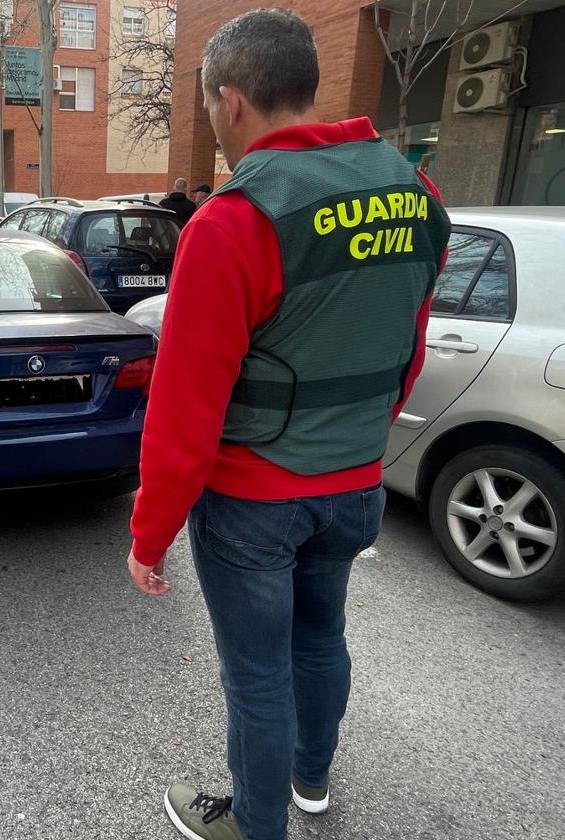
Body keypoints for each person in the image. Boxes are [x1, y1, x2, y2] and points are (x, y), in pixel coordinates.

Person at [125, 10, 450, 840]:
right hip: (355, 485)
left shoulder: (235, 220)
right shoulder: (416, 194)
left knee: (258, 673)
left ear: (232, 101)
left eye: (206, 111)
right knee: (320, 638)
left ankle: (257, 824)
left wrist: (149, 533)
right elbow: (405, 345)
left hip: (254, 503)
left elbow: (186, 405)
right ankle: (311, 783)